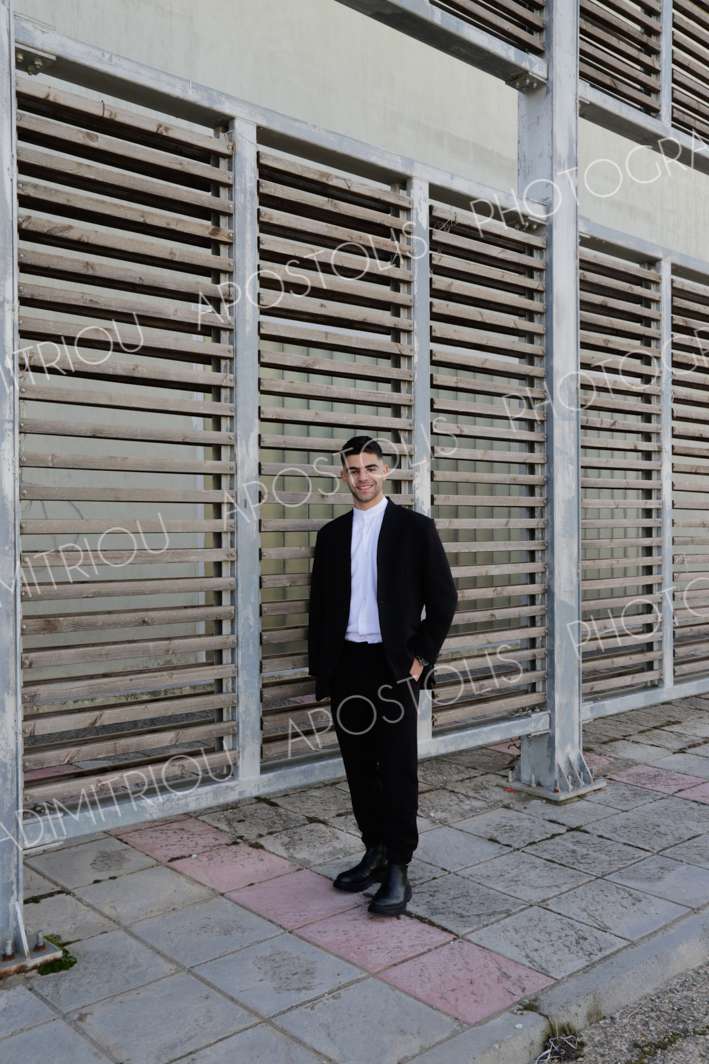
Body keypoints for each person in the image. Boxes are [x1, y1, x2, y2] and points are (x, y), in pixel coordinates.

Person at [307, 434, 458, 915]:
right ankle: (373, 851)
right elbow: (319, 609)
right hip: (347, 665)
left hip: (394, 668)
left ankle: (399, 866)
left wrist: (420, 660)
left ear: (386, 471)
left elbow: (444, 600)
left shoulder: (415, 528)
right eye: (353, 469)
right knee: (358, 768)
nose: (362, 477)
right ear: (343, 476)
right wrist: (324, 671)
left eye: (370, 467)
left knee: (396, 769)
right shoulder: (331, 535)